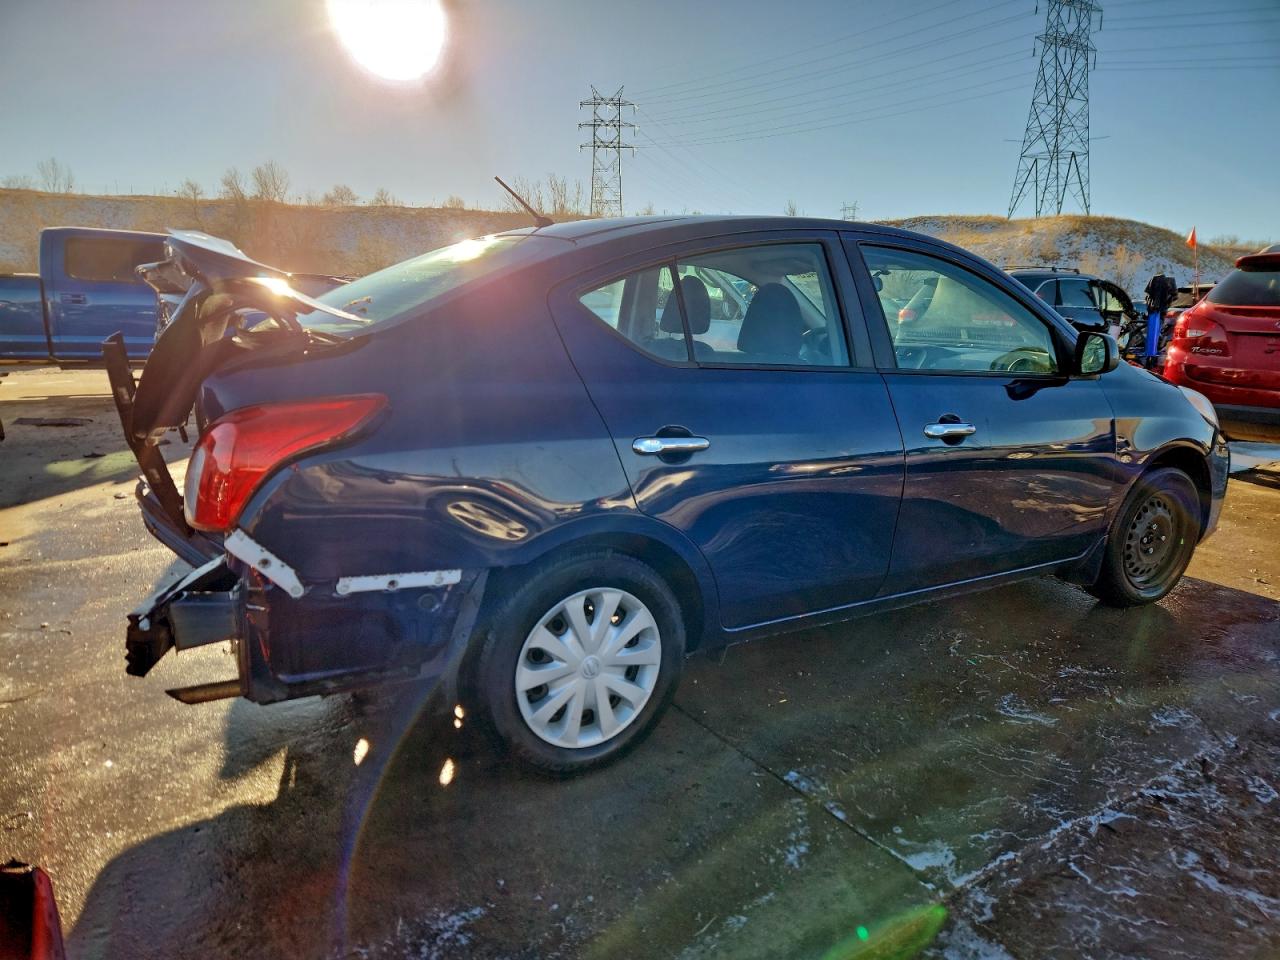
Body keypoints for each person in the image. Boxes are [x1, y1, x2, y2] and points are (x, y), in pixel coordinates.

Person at [1143, 273, 1178, 368]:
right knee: (1155, 336)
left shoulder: (1155, 283)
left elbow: (1148, 295)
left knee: (1153, 335)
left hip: (1155, 313)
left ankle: (1150, 358)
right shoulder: (1167, 285)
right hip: (1158, 313)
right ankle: (1151, 358)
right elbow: (1174, 297)